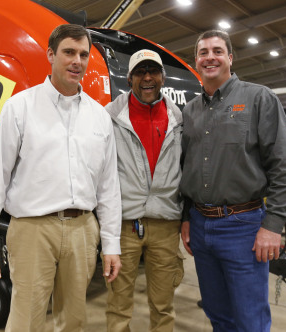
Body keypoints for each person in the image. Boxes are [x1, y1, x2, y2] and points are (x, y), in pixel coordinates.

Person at [0, 24, 122, 332]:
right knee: (26, 320)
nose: (77, 61)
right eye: (69, 52)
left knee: (73, 320)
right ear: (51, 55)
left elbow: (109, 188)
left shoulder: (99, 117)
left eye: (83, 54)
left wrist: (111, 243)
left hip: (83, 229)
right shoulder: (20, 108)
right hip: (32, 230)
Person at [180, 30, 286, 331]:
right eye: (203, 52)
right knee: (217, 313)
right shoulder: (190, 111)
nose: (210, 57)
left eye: (217, 51)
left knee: (250, 319)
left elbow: (285, 169)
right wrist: (186, 217)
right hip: (200, 224)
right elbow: (186, 168)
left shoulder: (259, 98)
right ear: (196, 60)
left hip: (243, 228)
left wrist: (272, 226)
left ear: (230, 58)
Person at [105, 49, 184, 331]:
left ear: (163, 78)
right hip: (124, 225)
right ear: (129, 79)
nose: (147, 78)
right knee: (118, 306)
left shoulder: (178, 119)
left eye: (153, 71)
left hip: (165, 224)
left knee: (163, 306)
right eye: (140, 72)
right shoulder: (110, 118)